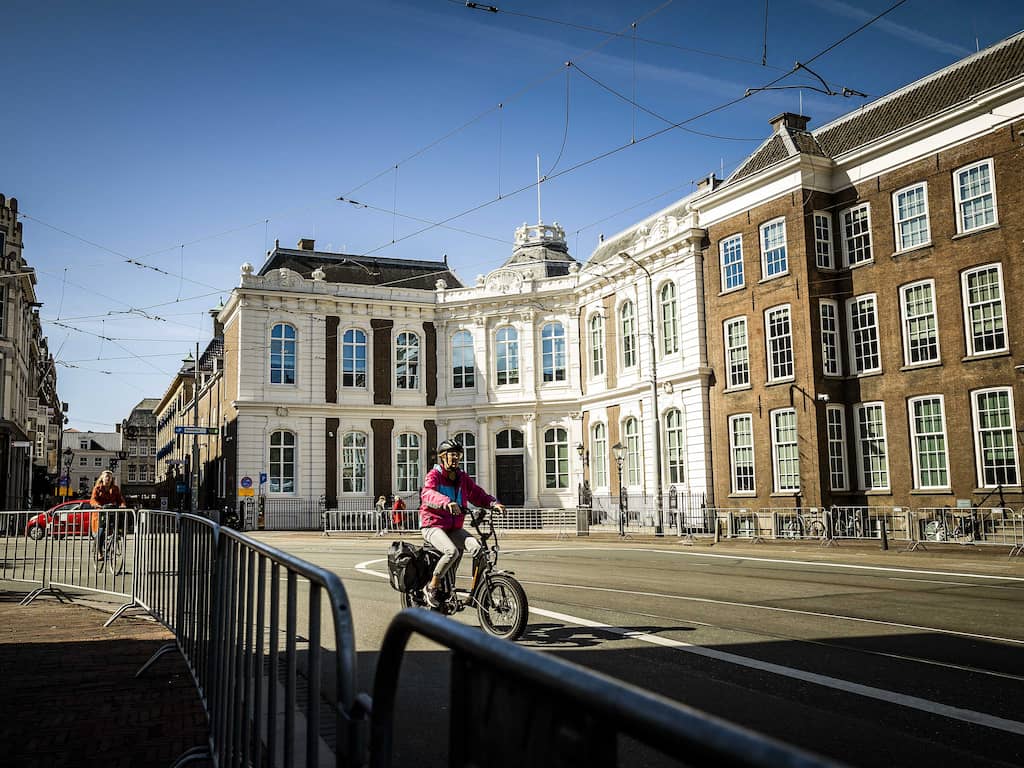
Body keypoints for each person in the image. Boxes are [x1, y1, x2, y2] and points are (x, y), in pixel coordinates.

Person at [419, 438, 505, 608]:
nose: (456, 458)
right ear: (443, 457)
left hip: (454, 528)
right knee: (451, 552)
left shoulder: (462, 478)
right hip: (432, 525)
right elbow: (427, 494)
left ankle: (476, 594)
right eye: (452, 454)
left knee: (480, 552)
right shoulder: (434, 475)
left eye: (458, 455)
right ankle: (432, 587)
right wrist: (446, 502)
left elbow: (478, 494)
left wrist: (493, 503)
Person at [90, 470, 126, 560]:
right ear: (102, 478)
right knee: (101, 531)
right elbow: (93, 500)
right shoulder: (97, 488)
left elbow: (120, 499)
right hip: (100, 513)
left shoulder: (115, 489)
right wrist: (97, 505)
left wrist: (122, 505)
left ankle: (116, 537)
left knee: (118, 525)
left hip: (111, 512)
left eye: (110, 477)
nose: (108, 478)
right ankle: (100, 552)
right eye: (106, 476)